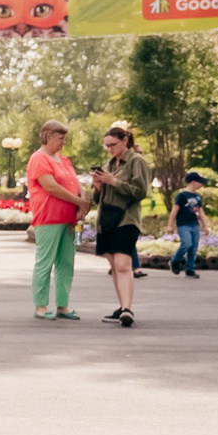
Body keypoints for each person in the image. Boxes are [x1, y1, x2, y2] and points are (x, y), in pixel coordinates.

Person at [89, 122, 151, 327]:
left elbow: (141, 192)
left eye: (113, 144)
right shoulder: (109, 164)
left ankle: (127, 309)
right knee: (114, 265)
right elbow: (99, 200)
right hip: (107, 219)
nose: (110, 149)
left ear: (125, 140)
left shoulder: (136, 161)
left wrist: (114, 182)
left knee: (123, 265)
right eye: (107, 145)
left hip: (127, 219)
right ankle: (121, 306)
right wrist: (98, 186)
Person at [26, 119, 86, 320]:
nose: (63, 143)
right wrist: (77, 200)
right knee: (45, 262)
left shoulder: (64, 160)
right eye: (60, 138)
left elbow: (75, 183)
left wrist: (82, 201)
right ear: (48, 136)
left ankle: (63, 305)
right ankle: (41, 306)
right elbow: (50, 186)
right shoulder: (39, 158)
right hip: (49, 217)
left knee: (66, 263)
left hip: (68, 218)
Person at [170, 170, 209, 278]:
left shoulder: (198, 197)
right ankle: (175, 260)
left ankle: (190, 269)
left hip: (194, 224)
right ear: (193, 182)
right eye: (200, 182)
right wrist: (170, 225)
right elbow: (174, 211)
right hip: (183, 224)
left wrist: (205, 225)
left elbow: (200, 211)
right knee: (187, 244)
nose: (201, 184)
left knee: (193, 248)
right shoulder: (181, 196)